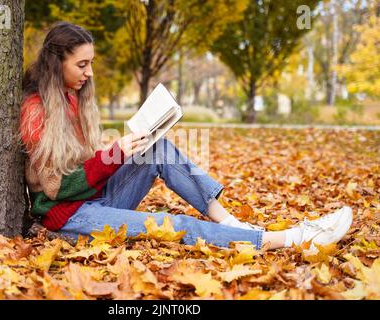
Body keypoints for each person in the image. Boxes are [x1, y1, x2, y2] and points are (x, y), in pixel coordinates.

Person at [19, 22, 353, 252]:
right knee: (174, 224)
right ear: (56, 61)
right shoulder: (37, 110)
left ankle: (234, 224)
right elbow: (56, 188)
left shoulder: (72, 97)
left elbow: (83, 163)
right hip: (69, 219)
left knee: (158, 149)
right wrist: (115, 154)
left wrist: (114, 150)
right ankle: (283, 239)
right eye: (82, 64)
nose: (89, 72)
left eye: (91, 63)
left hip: (95, 199)